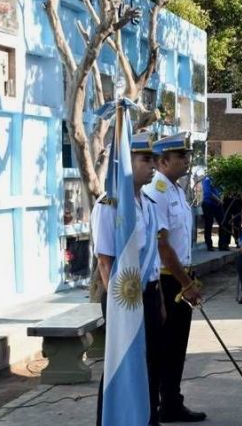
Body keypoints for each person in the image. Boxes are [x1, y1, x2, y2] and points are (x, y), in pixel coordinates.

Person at [94, 132, 163, 425]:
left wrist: (159, 299)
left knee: (151, 363)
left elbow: (153, 257)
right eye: (146, 159)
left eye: (153, 160)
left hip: (150, 293)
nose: (153, 166)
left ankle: (148, 418)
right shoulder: (109, 204)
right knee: (121, 364)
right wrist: (118, 308)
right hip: (123, 299)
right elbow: (105, 261)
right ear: (126, 161)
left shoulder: (148, 202)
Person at [143, 132, 206, 422]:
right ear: (163, 161)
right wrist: (186, 283)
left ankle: (171, 402)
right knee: (163, 347)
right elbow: (163, 246)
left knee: (177, 346)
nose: (187, 160)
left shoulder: (177, 190)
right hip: (167, 280)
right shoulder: (157, 190)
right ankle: (155, 407)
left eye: (187, 155)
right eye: (181, 156)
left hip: (180, 277)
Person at [200, 175, 223, 251]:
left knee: (222, 223)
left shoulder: (218, 179)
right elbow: (208, 193)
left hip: (217, 205)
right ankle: (209, 245)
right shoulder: (207, 179)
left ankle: (222, 245)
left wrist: (221, 198)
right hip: (208, 204)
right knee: (209, 224)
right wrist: (219, 200)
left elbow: (221, 191)